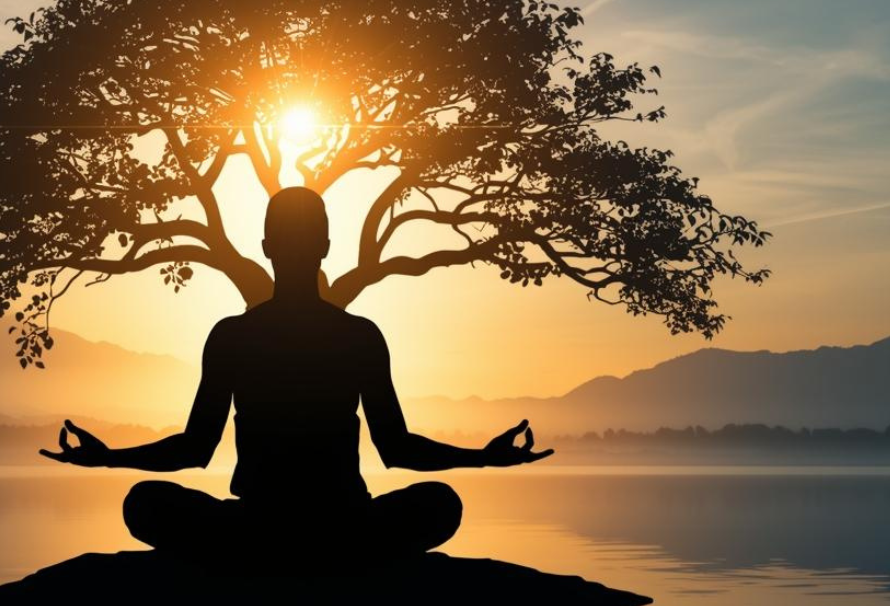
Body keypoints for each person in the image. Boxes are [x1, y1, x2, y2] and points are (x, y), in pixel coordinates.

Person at [40, 186, 552, 559]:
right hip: (342, 528)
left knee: (145, 504)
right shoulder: (357, 335)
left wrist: (108, 460)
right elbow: (398, 450)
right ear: (325, 247)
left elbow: (194, 449)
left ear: (267, 247)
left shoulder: (235, 335)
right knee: (439, 505)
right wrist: (483, 460)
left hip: (259, 528)